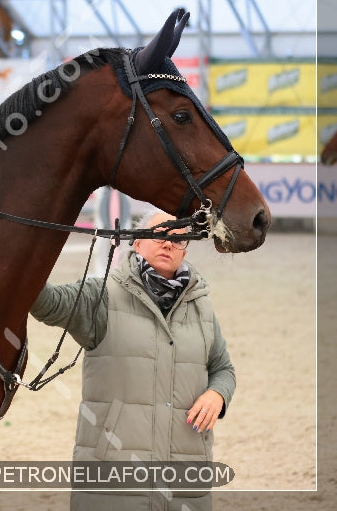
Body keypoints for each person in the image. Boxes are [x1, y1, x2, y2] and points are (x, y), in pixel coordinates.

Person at [29, 209, 235, 511]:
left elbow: (223, 368)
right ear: (137, 243)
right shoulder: (100, 296)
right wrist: (30, 248)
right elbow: (45, 302)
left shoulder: (201, 306)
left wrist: (218, 394)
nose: (168, 244)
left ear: (185, 250)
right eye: (161, 234)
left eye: (178, 240)